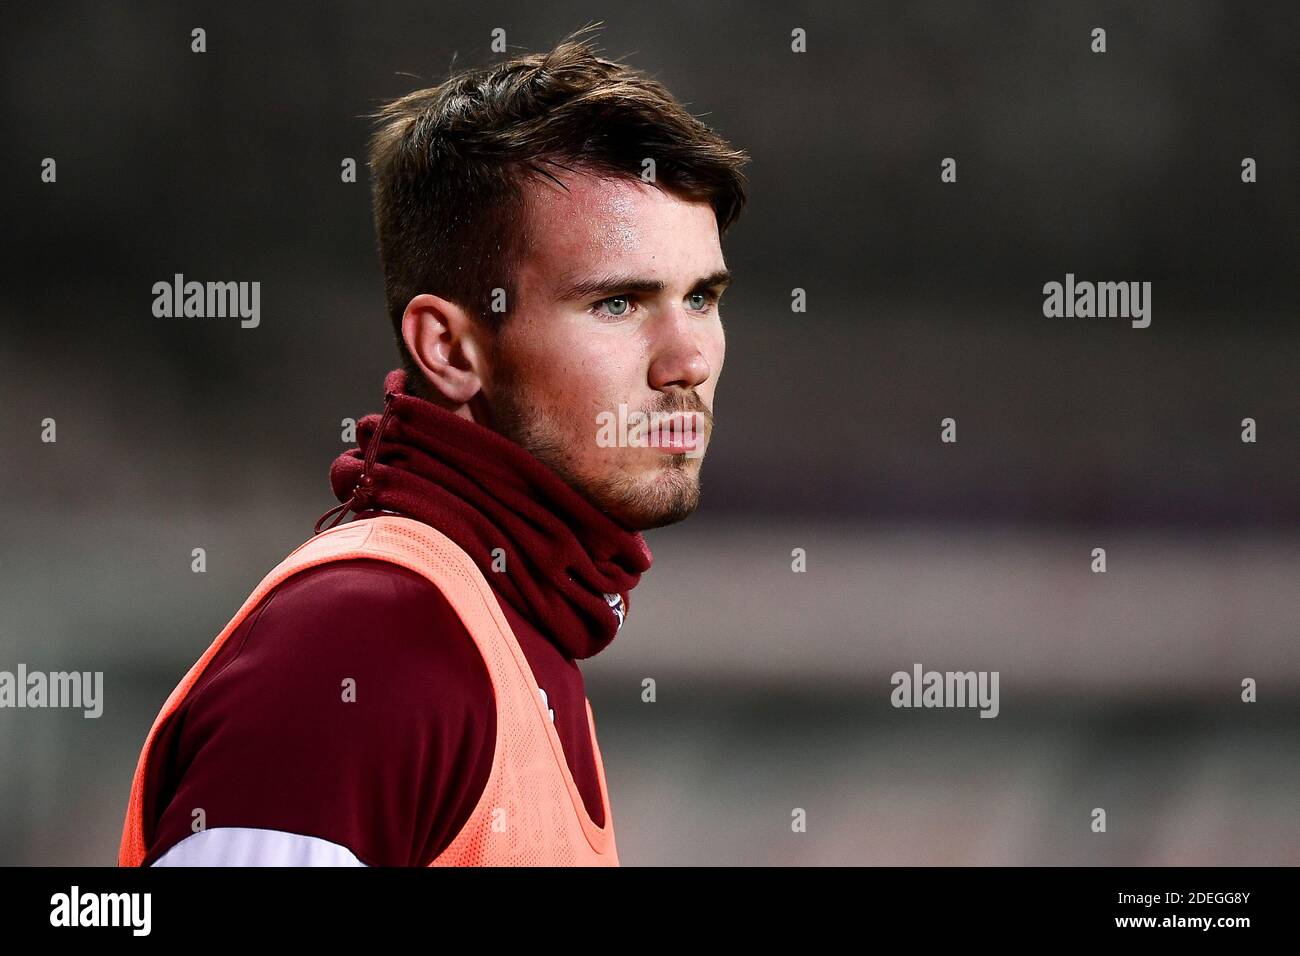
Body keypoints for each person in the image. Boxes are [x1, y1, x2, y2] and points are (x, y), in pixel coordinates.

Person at [118, 24, 748, 867]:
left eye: (702, 297)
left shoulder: (516, 624)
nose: (690, 360)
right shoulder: (364, 649)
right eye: (618, 304)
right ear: (450, 350)